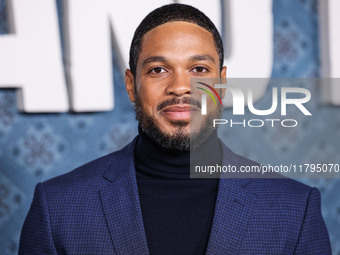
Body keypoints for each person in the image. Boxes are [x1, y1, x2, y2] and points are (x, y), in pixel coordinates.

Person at [19, 4, 331, 255]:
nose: (181, 87)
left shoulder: (294, 210)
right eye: (158, 69)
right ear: (131, 85)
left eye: (199, 69)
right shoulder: (58, 207)